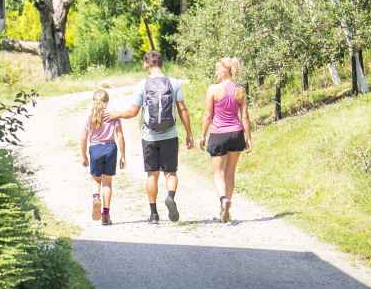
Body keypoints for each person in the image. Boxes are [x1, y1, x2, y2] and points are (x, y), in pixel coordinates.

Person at [112, 50, 193, 223]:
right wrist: (189, 133)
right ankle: (170, 196)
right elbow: (183, 110)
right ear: (161, 63)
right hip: (170, 135)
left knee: (152, 175)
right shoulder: (174, 83)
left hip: (149, 137)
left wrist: (116, 114)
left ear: (146, 64)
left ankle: (154, 214)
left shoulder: (142, 85)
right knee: (170, 173)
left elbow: (133, 112)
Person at [201, 56, 253, 223]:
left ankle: (223, 199)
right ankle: (227, 209)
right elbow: (244, 116)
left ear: (224, 71)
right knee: (230, 173)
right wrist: (248, 137)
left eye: (218, 68)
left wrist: (202, 135)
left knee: (218, 173)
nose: (216, 71)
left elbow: (208, 115)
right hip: (236, 134)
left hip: (218, 135)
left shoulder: (213, 89)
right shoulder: (240, 90)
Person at [80, 88, 126, 225]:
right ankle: (105, 214)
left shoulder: (89, 117)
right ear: (107, 102)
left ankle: (96, 198)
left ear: (94, 101)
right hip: (110, 148)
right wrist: (123, 156)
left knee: (96, 181)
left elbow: (83, 138)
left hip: (95, 149)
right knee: (107, 183)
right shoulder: (113, 116)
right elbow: (120, 136)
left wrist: (83, 156)